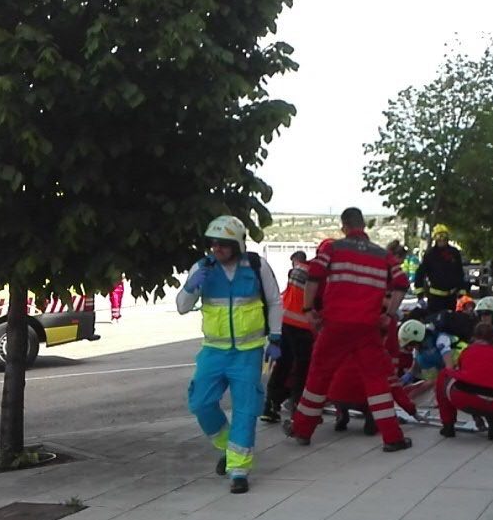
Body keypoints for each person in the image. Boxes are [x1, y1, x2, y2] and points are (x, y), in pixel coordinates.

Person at [285, 208, 413, 452]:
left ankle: (302, 430)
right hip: (368, 328)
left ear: (344, 226)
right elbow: (401, 283)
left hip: (335, 325)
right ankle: (392, 437)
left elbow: (313, 276)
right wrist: (389, 314)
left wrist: (309, 309)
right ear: (363, 225)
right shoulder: (382, 254)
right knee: (376, 380)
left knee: (318, 376)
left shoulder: (333, 249)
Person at [177, 216, 282, 494]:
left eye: (223, 244)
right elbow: (181, 307)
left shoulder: (257, 267)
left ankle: (238, 470)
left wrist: (276, 337)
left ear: (237, 245)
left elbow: (274, 302)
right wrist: (190, 287)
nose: (216, 249)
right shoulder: (202, 268)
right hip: (213, 351)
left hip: (248, 353)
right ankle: (228, 445)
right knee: (200, 403)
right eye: (212, 244)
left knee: (246, 410)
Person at [435, 323, 493, 441]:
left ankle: (448, 425)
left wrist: (475, 415)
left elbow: (464, 381)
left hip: (467, 398)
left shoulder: (467, 351)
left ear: (475, 337)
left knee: (445, 375)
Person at [261, 251, 314, 422]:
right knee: (302, 368)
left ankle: (270, 405)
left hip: (286, 321)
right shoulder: (316, 274)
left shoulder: (299, 269)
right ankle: (298, 407)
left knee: (283, 364)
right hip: (302, 326)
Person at [414, 224, 465, 314]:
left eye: (443, 235)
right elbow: (420, 274)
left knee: (451, 322)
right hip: (435, 298)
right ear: (435, 238)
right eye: (439, 236)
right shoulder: (430, 254)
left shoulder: (454, 253)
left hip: (452, 297)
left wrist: (462, 292)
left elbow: (460, 273)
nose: (441, 239)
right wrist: (420, 295)